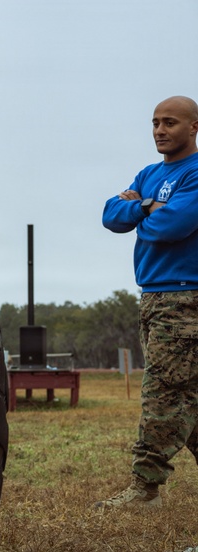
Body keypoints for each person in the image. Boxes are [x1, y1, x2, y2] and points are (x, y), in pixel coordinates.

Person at [97, 95, 198, 509]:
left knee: (164, 393)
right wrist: (144, 204)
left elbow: (170, 226)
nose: (160, 130)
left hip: (183, 300)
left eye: (170, 122)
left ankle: (144, 489)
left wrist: (138, 210)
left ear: (194, 127)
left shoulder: (195, 173)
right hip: (154, 298)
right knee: (189, 396)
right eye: (155, 122)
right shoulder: (149, 173)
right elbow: (109, 216)